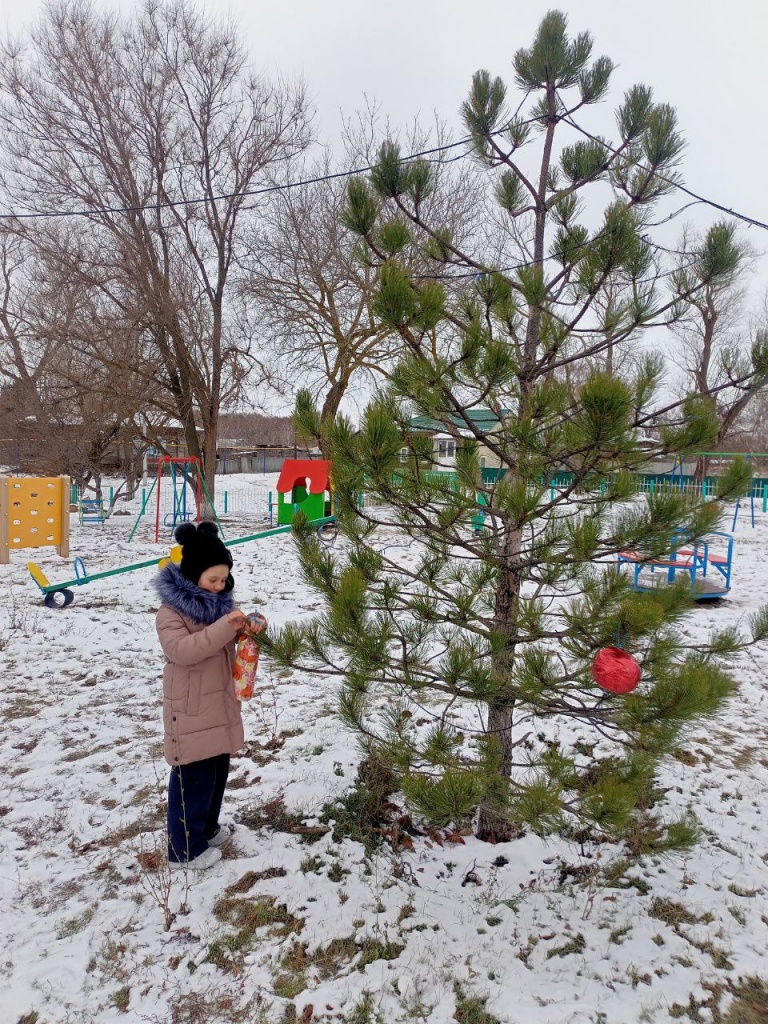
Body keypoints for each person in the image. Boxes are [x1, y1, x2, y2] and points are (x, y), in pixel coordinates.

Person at [154, 520, 248, 872]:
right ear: (194, 574)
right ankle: (184, 850)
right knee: (192, 779)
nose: (220, 586)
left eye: (224, 580)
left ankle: (206, 827)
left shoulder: (219, 604)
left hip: (218, 704)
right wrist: (227, 627)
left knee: (215, 773)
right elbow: (183, 650)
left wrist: (246, 630)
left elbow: (223, 640)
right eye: (213, 580)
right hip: (191, 709)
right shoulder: (171, 613)